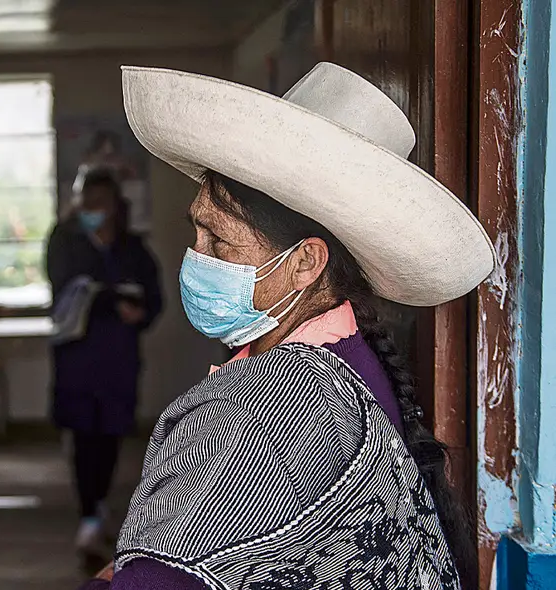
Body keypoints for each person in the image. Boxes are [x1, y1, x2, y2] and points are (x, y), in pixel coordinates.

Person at [77, 64, 495, 590]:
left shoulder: (280, 408)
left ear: (305, 263)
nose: (195, 257)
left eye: (219, 241)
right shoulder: (344, 356)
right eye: (196, 232)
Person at [46, 168, 163, 561]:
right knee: (83, 440)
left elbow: (155, 299)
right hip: (79, 360)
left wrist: (139, 313)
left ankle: (97, 507)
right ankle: (89, 516)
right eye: (86, 203)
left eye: (100, 203)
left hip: (118, 361)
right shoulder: (66, 241)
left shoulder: (133, 249)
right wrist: (111, 299)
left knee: (111, 437)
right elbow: (65, 290)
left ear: (115, 206)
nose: (93, 211)